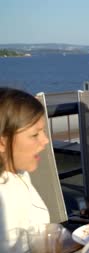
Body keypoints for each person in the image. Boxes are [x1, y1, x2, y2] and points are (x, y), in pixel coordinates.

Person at [0, 87, 51, 234]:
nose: (45, 140)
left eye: (44, 131)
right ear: (2, 143)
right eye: (35, 135)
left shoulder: (19, 174)